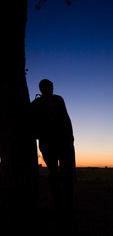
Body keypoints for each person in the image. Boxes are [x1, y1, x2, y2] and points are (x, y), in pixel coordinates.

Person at [31, 79, 76, 232]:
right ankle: (62, 206)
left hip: (53, 142)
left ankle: (60, 205)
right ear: (49, 88)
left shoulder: (37, 103)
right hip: (58, 142)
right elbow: (66, 119)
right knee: (62, 174)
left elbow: (65, 119)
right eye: (50, 87)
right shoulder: (55, 100)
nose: (50, 89)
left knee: (59, 174)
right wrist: (70, 138)